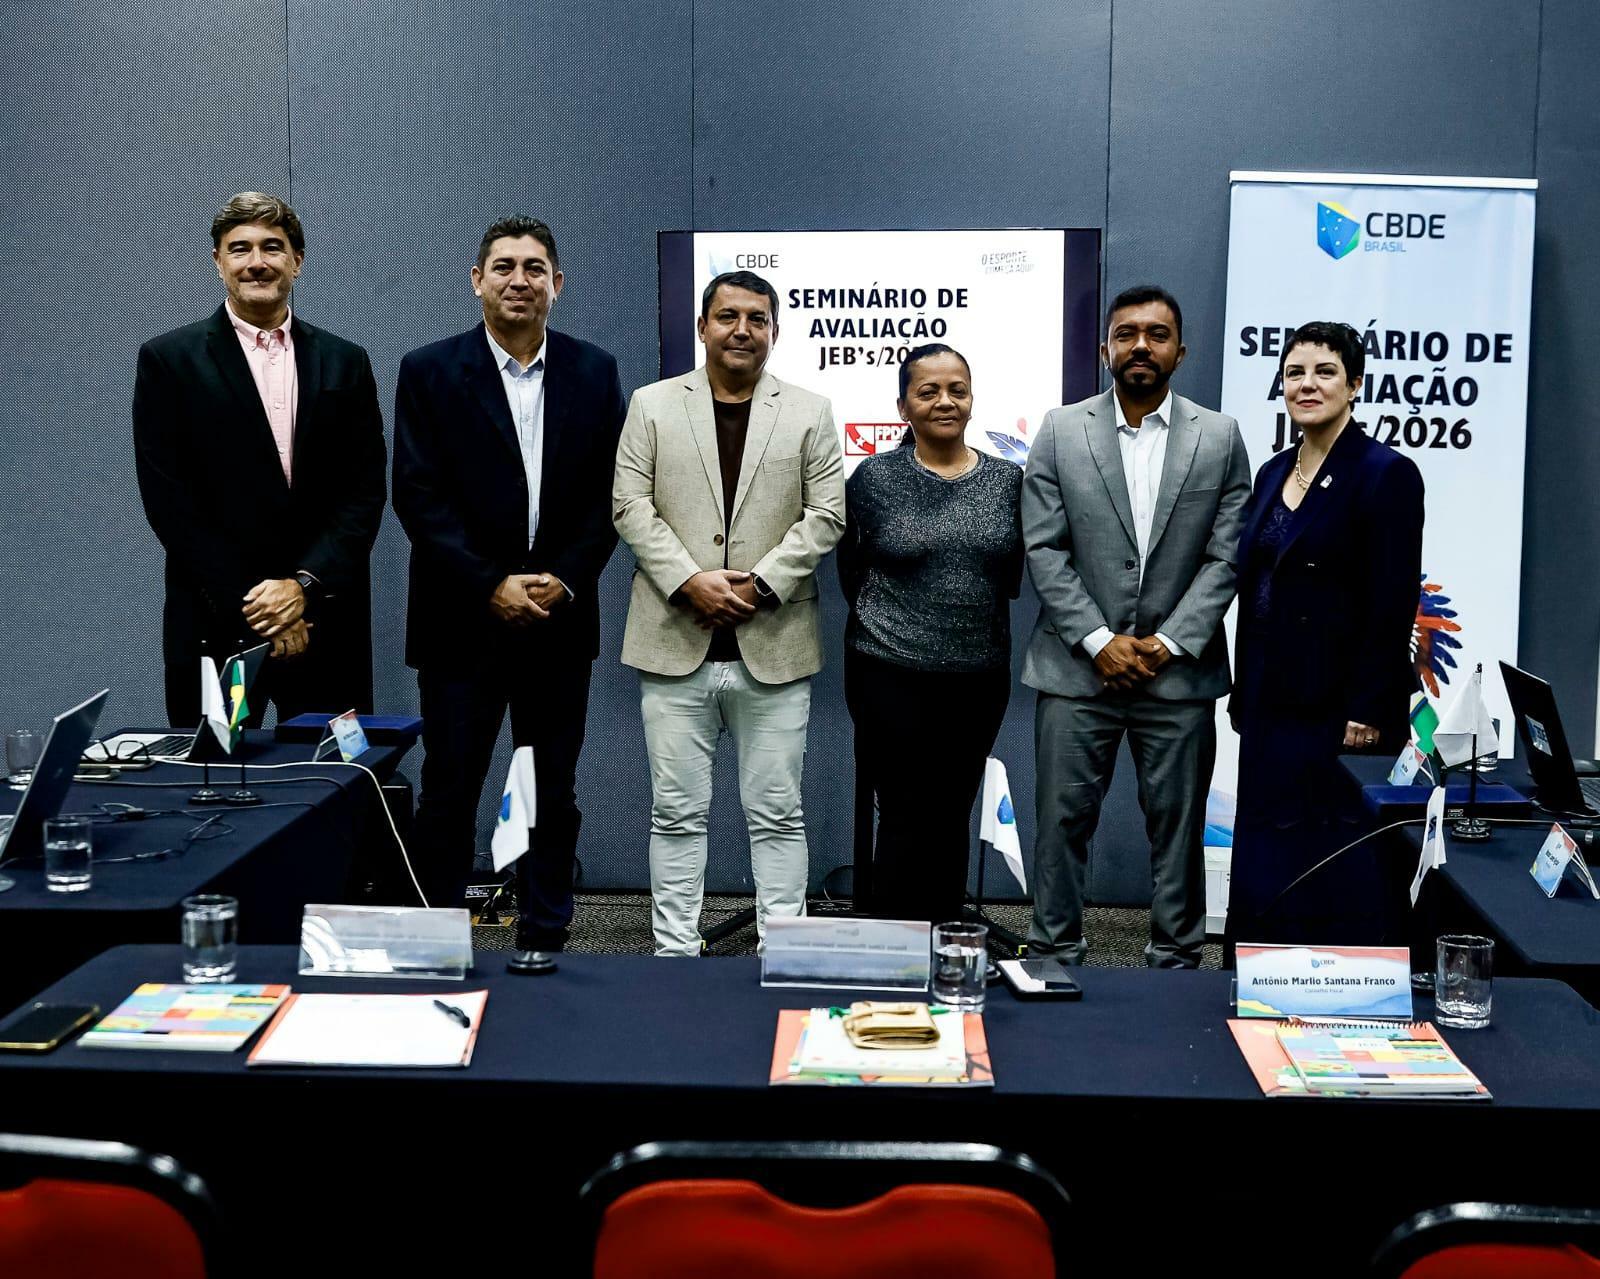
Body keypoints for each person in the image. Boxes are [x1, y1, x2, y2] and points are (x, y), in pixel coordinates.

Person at [392, 216, 626, 945]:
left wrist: (566, 576)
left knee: (551, 788)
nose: (518, 280)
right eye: (503, 266)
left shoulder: (594, 371)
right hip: (461, 620)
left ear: (558, 284)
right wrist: (491, 583)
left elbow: (611, 494)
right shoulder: (429, 370)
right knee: (450, 788)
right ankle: (433, 936)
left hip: (558, 618)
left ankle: (545, 932)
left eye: (533, 268)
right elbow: (418, 495)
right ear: (477, 280)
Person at [613, 269, 845, 956]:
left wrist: (760, 584)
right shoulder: (652, 405)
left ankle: (783, 951)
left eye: (757, 318)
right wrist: (691, 581)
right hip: (673, 639)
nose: (742, 329)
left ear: (774, 331)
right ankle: (675, 953)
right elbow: (630, 505)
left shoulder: (809, 410)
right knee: (676, 813)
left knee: (778, 814)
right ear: (702, 326)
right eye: (727, 316)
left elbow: (827, 514)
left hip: (774, 640)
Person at [1022, 285, 1251, 967]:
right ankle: (1053, 958)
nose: (1141, 346)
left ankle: (1175, 966)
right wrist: (1099, 640)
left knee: (1178, 834)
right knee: (1060, 827)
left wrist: (1170, 641)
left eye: (1157, 334)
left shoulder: (1220, 436)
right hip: (1076, 670)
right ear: (1105, 350)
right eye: (1126, 334)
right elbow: (1044, 548)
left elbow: (1228, 554)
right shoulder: (1060, 430)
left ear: (1181, 351)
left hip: (1176, 674)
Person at [133, 192, 386, 727]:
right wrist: (261, 607)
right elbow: (171, 503)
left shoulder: (346, 361)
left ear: (297, 261)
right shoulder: (169, 362)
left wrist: (302, 588)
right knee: (218, 774)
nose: (257, 262)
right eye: (240, 248)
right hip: (218, 626)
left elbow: (363, 492)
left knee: (334, 771)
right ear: (218, 261)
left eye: (272, 247)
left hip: (326, 627)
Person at [1227, 321, 1424, 947]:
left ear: (1355, 384)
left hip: (1340, 710)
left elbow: (1393, 602)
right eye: (1294, 373)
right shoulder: (1272, 472)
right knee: (1266, 851)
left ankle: (1332, 985)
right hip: (1269, 700)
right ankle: (1256, 975)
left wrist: (1368, 705)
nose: (1306, 385)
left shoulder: (1385, 473)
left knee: (1330, 857)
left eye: (1325, 372)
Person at [839, 344, 1022, 923]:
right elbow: (850, 569)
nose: (945, 401)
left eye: (956, 390)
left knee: (952, 809)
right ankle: (894, 945)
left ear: (971, 400)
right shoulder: (873, 478)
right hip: (888, 671)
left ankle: (945, 937)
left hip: (977, 677)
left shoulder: (1008, 481)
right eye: (928, 391)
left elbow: (1011, 576)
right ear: (903, 407)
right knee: (902, 810)